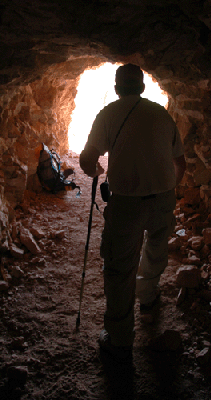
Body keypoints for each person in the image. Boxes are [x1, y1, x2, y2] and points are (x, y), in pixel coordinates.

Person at [79, 63, 186, 363]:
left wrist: (98, 169)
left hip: (126, 202)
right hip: (163, 198)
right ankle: (149, 302)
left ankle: (120, 338)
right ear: (142, 88)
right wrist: (167, 189)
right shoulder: (161, 114)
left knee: (119, 265)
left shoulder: (108, 114)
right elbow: (181, 163)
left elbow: (88, 161)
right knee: (155, 250)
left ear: (116, 89)